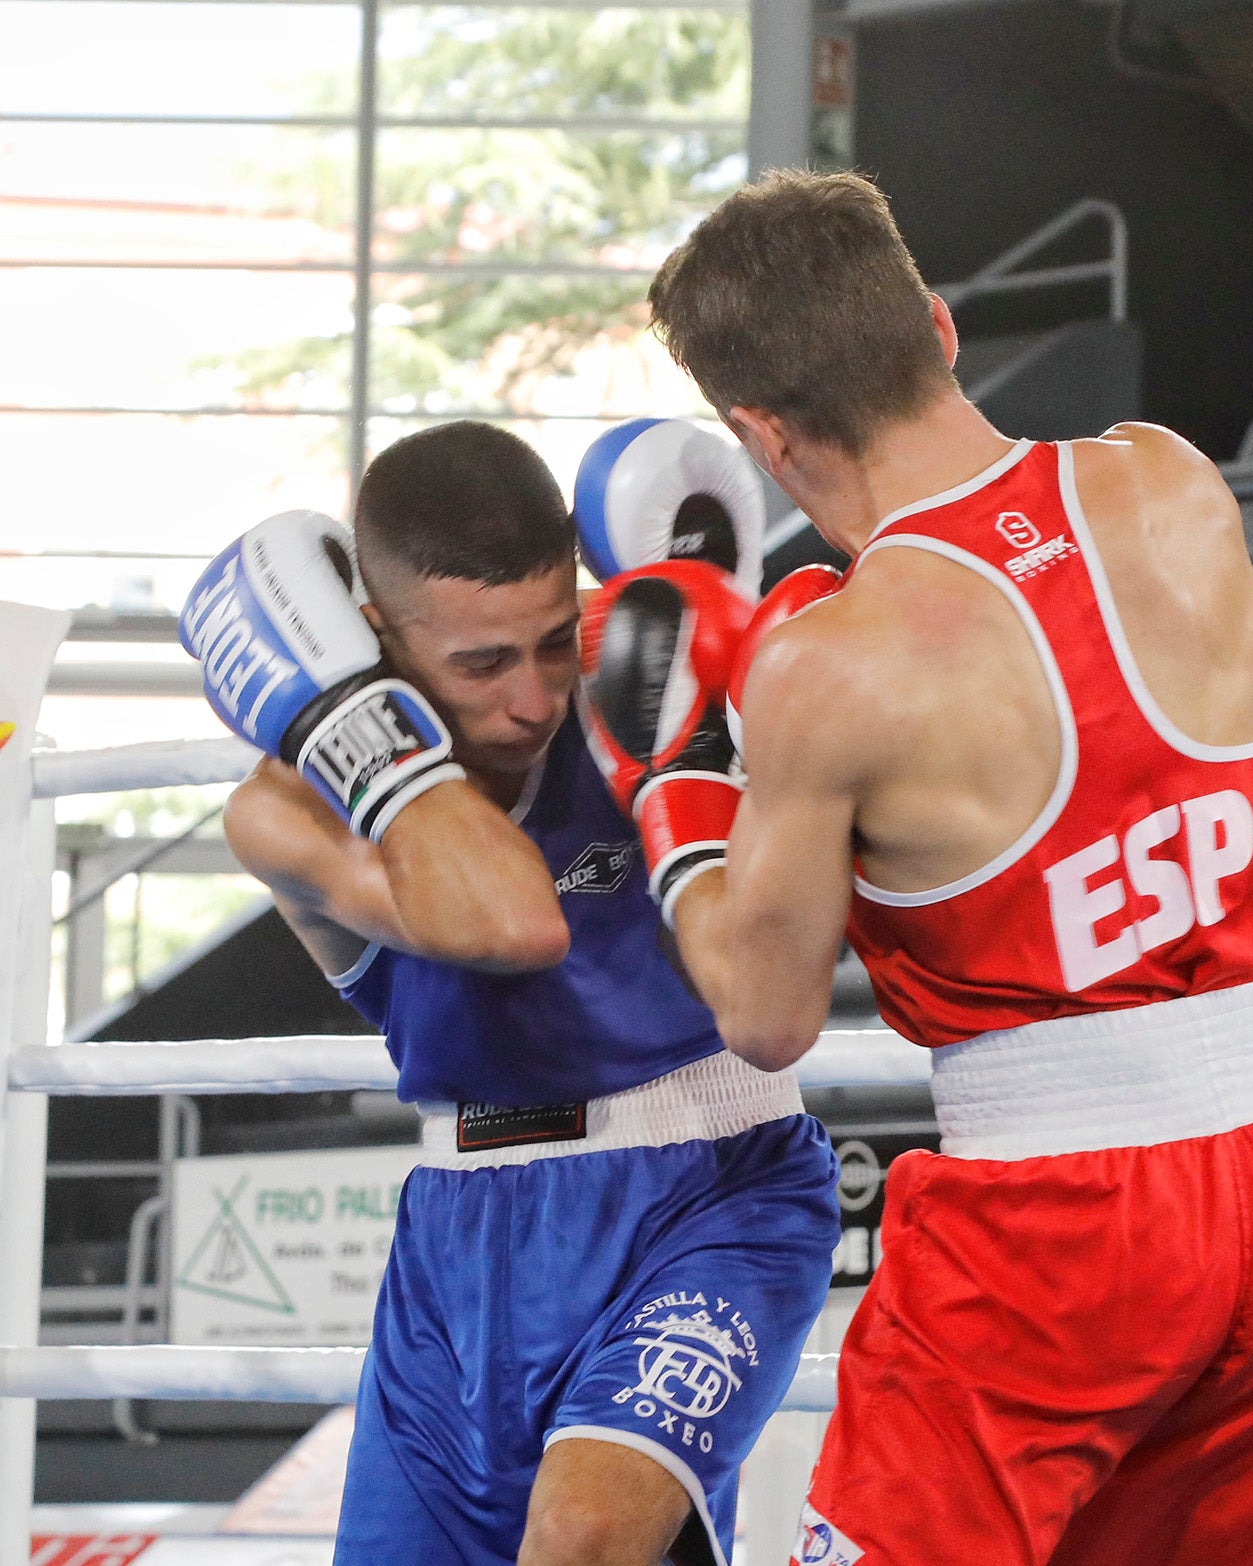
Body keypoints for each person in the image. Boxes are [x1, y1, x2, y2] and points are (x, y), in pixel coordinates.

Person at [579, 169, 1253, 1564]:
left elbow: (761, 1013)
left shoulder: (834, 656)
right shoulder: (1171, 480)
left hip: (1056, 1231)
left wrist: (673, 783)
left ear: (760, 433)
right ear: (939, 328)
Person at [177, 418, 840, 1566]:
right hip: (462, 1246)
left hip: (709, 1194)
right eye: (482, 663)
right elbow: (511, 922)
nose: (533, 699)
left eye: (550, 642)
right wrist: (357, 722)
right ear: (373, 636)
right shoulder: (287, 808)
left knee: (584, 1537)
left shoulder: (643, 674)